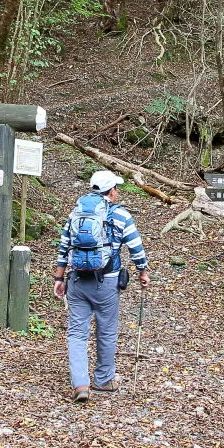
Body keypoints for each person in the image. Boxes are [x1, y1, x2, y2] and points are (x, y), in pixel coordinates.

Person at [54, 170, 149, 403]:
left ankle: (80, 384)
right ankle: (104, 379)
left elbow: (64, 247)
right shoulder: (121, 216)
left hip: (76, 281)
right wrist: (142, 272)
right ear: (111, 191)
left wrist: (59, 279)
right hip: (107, 282)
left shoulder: (75, 214)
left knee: (77, 333)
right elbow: (136, 247)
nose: (117, 192)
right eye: (116, 188)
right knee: (106, 330)